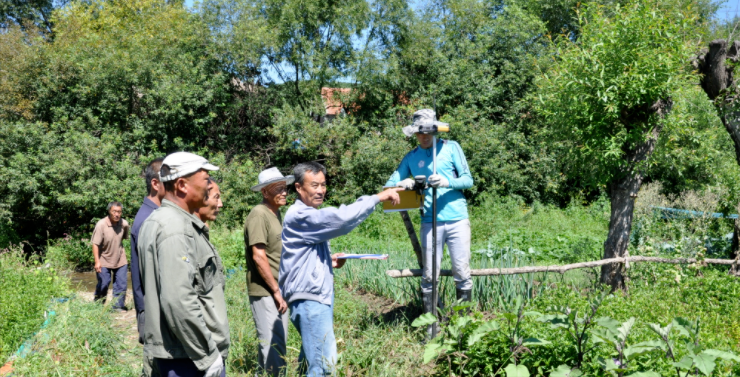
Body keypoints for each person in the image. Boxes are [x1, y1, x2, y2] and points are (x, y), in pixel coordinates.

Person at [278, 162, 402, 376]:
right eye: (314, 185)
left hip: (314, 296)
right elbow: (341, 219)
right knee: (323, 367)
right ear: (299, 188)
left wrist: (328, 259)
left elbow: (305, 253)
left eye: (323, 185)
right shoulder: (301, 215)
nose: (320, 191)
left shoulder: (308, 214)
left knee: (310, 362)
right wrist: (376, 198)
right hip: (310, 299)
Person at [138, 152, 229, 377]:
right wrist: (207, 355)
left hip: (182, 354)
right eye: (206, 180)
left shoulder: (161, 221)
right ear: (181, 185)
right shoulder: (175, 229)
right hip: (188, 359)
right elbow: (178, 300)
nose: (209, 186)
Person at [385, 109, 474, 325]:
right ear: (415, 134)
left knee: (461, 271)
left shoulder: (451, 148)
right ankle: (431, 325)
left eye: (428, 132)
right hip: (429, 221)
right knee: (429, 275)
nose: (424, 137)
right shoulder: (412, 157)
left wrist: (446, 182)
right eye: (419, 133)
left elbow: (468, 180)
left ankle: (464, 325)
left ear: (435, 131)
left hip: (456, 219)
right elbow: (389, 185)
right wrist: (405, 184)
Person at [244, 167, 294, 377]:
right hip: (266, 290)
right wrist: (275, 290)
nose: (284, 192)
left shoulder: (276, 213)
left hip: (278, 288)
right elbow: (258, 256)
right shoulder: (259, 214)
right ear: (265, 192)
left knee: (273, 343)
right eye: (278, 189)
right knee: (273, 345)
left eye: (285, 188)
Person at [131, 157, 165, 377]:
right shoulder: (148, 220)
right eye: (169, 178)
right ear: (155, 184)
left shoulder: (155, 215)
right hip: (154, 311)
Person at [91, 201, 130, 311]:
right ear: (109, 211)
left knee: (121, 284)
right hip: (104, 259)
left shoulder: (124, 224)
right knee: (104, 283)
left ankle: (117, 306)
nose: (117, 214)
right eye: (114, 211)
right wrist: (97, 261)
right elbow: (95, 244)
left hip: (120, 258)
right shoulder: (101, 225)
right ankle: (98, 305)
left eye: (119, 212)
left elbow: (122, 238)